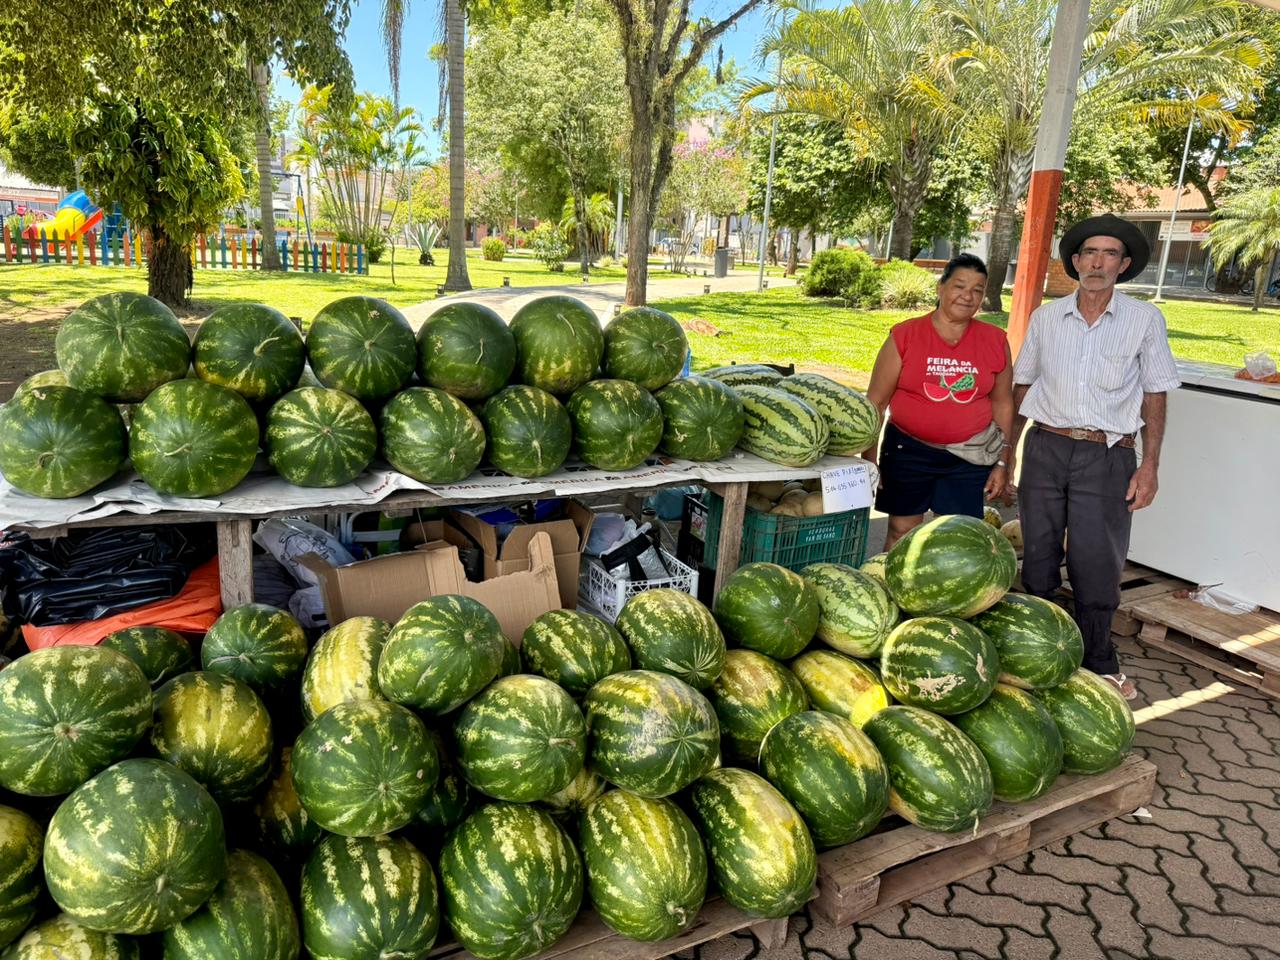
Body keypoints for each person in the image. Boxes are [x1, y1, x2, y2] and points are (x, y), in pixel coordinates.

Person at [1008, 214, 1181, 701]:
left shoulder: (1144, 320)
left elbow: (1155, 394)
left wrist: (1150, 466)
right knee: (1039, 553)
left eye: (1109, 254)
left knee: (1096, 559)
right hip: (1045, 445)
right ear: (1076, 262)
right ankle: (1037, 651)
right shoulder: (1047, 318)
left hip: (1108, 454)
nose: (1097, 262)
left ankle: (1098, 658)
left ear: (1124, 265)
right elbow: (1022, 386)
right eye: (1089, 253)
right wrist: (1006, 454)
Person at [863, 253, 1014, 550]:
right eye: (959, 286)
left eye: (977, 290)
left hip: (969, 455)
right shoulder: (905, 335)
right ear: (940, 288)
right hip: (908, 449)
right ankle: (893, 590)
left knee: (954, 538)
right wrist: (869, 459)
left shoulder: (995, 340)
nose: (968, 296)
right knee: (900, 531)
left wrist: (1002, 461)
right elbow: (876, 402)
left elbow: (1003, 404)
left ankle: (939, 596)